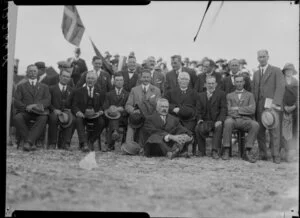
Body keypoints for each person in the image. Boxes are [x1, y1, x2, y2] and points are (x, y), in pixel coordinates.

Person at [252, 49, 285, 164]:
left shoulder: (276, 70)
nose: (261, 59)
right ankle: (263, 153)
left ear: (268, 57)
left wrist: (275, 104)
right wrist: (253, 106)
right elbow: (254, 90)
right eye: (259, 57)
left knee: (274, 131)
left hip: (272, 106)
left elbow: (280, 87)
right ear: (257, 58)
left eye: (263, 56)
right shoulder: (256, 73)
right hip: (259, 107)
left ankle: (276, 155)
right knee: (260, 131)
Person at [222, 74, 259, 162]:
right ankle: (226, 149)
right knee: (227, 122)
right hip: (233, 119)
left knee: (255, 125)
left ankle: (247, 151)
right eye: (237, 82)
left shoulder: (250, 95)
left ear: (244, 82)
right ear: (234, 83)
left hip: (246, 120)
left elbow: (252, 110)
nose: (239, 84)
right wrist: (243, 110)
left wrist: (238, 109)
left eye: (241, 82)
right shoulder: (229, 95)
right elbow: (228, 110)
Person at [13, 64, 51, 151]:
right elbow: (17, 102)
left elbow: (47, 100)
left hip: (39, 112)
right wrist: (26, 107)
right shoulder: (21, 86)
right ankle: (30, 142)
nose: (33, 73)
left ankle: (28, 142)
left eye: (34, 71)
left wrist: (34, 106)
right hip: (25, 112)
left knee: (44, 118)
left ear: (37, 73)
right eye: (30, 71)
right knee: (17, 118)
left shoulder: (44, 87)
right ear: (27, 73)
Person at [125, 69, 161, 147]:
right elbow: (128, 105)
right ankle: (129, 146)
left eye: (148, 77)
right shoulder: (134, 90)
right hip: (137, 116)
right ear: (140, 78)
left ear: (150, 78)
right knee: (131, 121)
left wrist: (152, 116)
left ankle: (146, 145)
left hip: (150, 116)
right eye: (144, 77)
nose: (146, 79)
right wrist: (134, 111)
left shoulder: (156, 90)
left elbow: (158, 107)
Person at [164, 72, 198, 153]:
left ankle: (180, 149)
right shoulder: (170, 92)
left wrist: (181, 110)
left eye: (186, 79)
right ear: (178, 80)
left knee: (186, 130)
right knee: (174, 128)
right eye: (182, 79)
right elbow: (164, 103)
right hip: (174, 119)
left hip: (189, 119)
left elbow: (197, 108)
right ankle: (179, 149)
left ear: (189, 81)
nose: (184, 81)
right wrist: (174, 108)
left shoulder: (194, 93)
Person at [72, 71, 106, 152]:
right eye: (88, 78)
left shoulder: (100, 92)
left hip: (95, 115)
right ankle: (84, 143)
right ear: (85, 79)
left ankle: (91, 141)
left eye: (92, 78)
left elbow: (103, 105)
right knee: (78, 120)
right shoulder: (79, 91)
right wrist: (78, 112)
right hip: (83, 115)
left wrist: (100, 111)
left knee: (101, 122)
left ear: (96, 80)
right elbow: (74, 105)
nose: (90, 80)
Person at [195, 76, 227, 159]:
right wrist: (199, 119)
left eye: (213, 83)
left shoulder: (221, 94)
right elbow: (198, 110)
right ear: (205, 84)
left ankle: (214, 150)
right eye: (209, 83)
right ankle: (202, 151)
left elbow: (223, 109)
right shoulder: (200, 95)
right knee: (197, 128)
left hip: (216, 120)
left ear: (216, 84)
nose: (211, 85)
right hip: (205, 121)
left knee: (219, 127)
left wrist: (220, 120)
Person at [48, 69, 75, 150]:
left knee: (72, 119)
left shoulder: (72, 90)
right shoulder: (51, 88)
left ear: (69, 79)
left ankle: (66, 143)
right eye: (64, 76)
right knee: (53, 118)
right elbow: (48, 102)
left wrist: (69, 110)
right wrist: (54, 109)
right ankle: (52, 143)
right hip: (54, 111)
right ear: (59, 77)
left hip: (66, 112)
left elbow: (74, 104)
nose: (65, 78)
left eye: (67, 77)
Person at [103, 73, 129, 151]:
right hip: (111, 117)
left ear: (123, 82)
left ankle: (110, 145)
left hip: (123, 118)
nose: (119, 82)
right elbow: (105, 107)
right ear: (114, 82)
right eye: (117, 80)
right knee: (113, 118)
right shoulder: (109, 94)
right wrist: (112, 110)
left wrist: (122, 110)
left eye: (121, 80)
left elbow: (128, 107)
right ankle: (114, 133)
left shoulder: (128, 94)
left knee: (114, 120)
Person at [280, 63, 298, 162]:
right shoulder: (281, 82)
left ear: (293, 72)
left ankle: (292, 153)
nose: (289, 72)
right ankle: (284, 152)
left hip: (295, 110)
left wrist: (294, 106)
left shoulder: (297, 82)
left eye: (291, 70)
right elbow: (278, 95)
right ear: (284, 72)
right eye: (287, 70)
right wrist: (284, 107)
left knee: (293, 131)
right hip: (283, 109)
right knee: (283, 130)